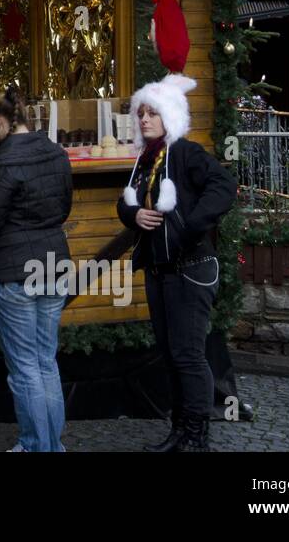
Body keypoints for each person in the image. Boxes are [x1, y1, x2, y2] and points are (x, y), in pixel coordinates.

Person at [116, 73, 236, 452]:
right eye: (142, 113)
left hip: (191, 267)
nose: (145, 119)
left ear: (170, 116)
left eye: (153, 113)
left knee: (187, 354)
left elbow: (223, 186)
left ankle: (197, 437)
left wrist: (190, 226)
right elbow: (126, 203)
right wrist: (132, 216)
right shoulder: (145, 159)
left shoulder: (185, 153)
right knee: (171, 353)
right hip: (159, 268)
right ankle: (180, 430)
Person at [0, 87, 72, 452]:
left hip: (14, 270)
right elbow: (63, 209)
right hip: (54, 264)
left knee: (25, 367)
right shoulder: (56, 152)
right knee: (46, 361)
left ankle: (35, 446)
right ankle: (52, 446)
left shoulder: (2, 160)